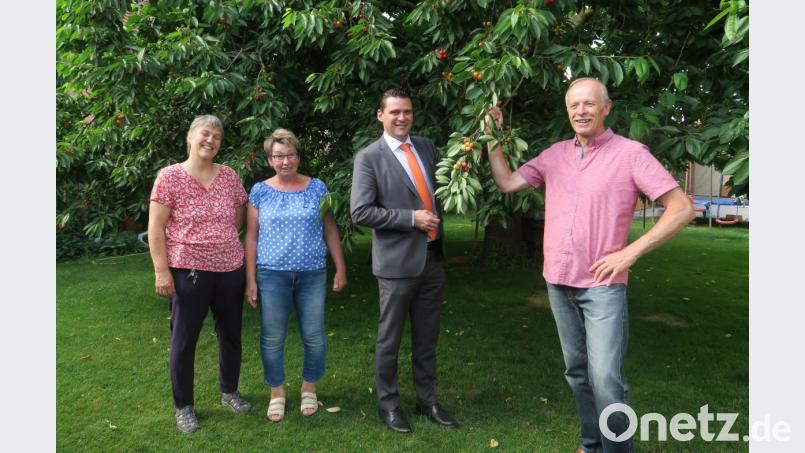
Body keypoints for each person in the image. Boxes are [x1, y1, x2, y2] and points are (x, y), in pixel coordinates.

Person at [485, 78, 696, 453]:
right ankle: (590, 443)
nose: (580, 111)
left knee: (606, 379)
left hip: (603, 287)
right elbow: (506, 183)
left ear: (606, 108)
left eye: (588, 104)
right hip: (558, 281)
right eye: (573, 106)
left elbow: (681, 209)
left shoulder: (631, 154)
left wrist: (629, 253)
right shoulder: (555, 155)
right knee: (577, 373)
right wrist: (491, 139)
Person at [350, 88, 458, 434]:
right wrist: (411, 218)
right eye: (394, 112)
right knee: (390, 339)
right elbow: (360, 211)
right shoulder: (369, 158)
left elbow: (445, 183)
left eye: (407, 112)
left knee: (427, 338)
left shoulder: (426, 147)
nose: (402, 118)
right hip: (396, 266)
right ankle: (389, 404)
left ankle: (427, 400)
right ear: (380, 115)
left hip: (432, 260)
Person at [148, 114, 252, 434]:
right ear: (190, 138)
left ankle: (229, 392)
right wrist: (161, 271)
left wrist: (218, 241)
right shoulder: (170, 177)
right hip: (187, 270)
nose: (211, 140)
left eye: (217, 136)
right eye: (205, 134)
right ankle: (184, 407)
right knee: (184, 340)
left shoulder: (230, 176)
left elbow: (238, 216)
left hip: (230, 268)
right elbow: (155, 227)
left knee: (231, 334)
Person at [244, 128, 347, 423]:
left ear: (298, 156)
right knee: (272, 337)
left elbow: (330, 229)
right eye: (278, 156)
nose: (285, 161)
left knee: (314, 336)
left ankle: (309, 387)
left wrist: (341, 267)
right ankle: (276, 392)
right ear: (269, 159)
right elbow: (251, 238)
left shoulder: (318, 188)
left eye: (290, 155)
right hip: (271, 274)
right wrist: (251, 279)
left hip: (312, 274)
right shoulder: (259, 191)